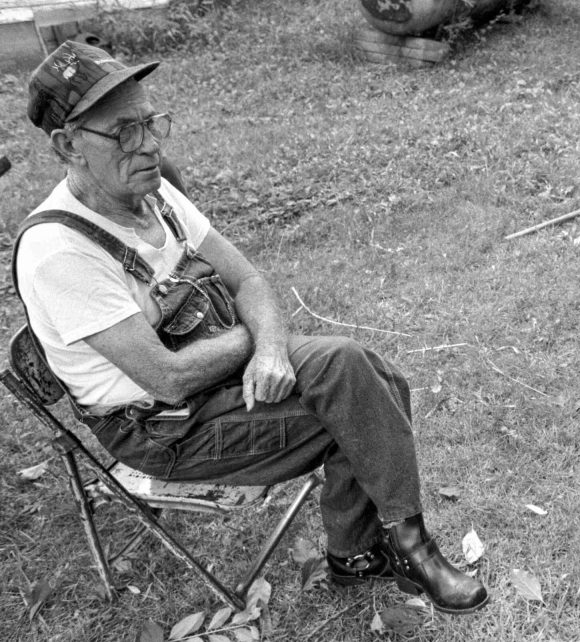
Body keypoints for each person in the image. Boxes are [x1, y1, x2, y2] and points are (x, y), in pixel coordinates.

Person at [16, 40, 487, 614]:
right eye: (125, 133)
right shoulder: (58, 252)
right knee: (367, 396)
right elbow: (165, 379)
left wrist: (271, 351)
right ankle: (403, 551)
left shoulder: (153, 191)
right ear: (68, 146)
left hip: (213, 378)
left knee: (363, 374)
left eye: (151, 122)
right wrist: (254, 342)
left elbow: (249, 281)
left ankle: (364, 553)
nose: (151, 145)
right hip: (162, 428)